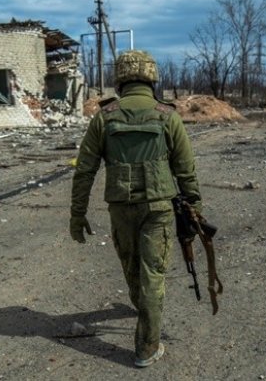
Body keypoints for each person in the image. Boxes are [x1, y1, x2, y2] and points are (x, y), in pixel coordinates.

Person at [69, 50, 202, 368]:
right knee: (153, 275)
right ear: (151, 77)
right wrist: (194, 207)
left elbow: (84, 169)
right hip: (158, 208)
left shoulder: (104, 116)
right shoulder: (167, 115)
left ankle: (142, 309)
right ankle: (146, 348)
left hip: (121, 208)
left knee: (133, 270)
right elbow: (186, 168)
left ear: (121, 78)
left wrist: (78, 213)